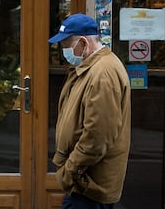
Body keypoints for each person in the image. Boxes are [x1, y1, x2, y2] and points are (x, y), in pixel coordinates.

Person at [48, 13, 131, 208]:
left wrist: (70, 170)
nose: (64, 51)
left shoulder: (102, 74)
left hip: (89, 184)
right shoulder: (92, 68)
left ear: (83, 43)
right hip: (85, 182)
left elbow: (98, 136)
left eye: (66, 45)